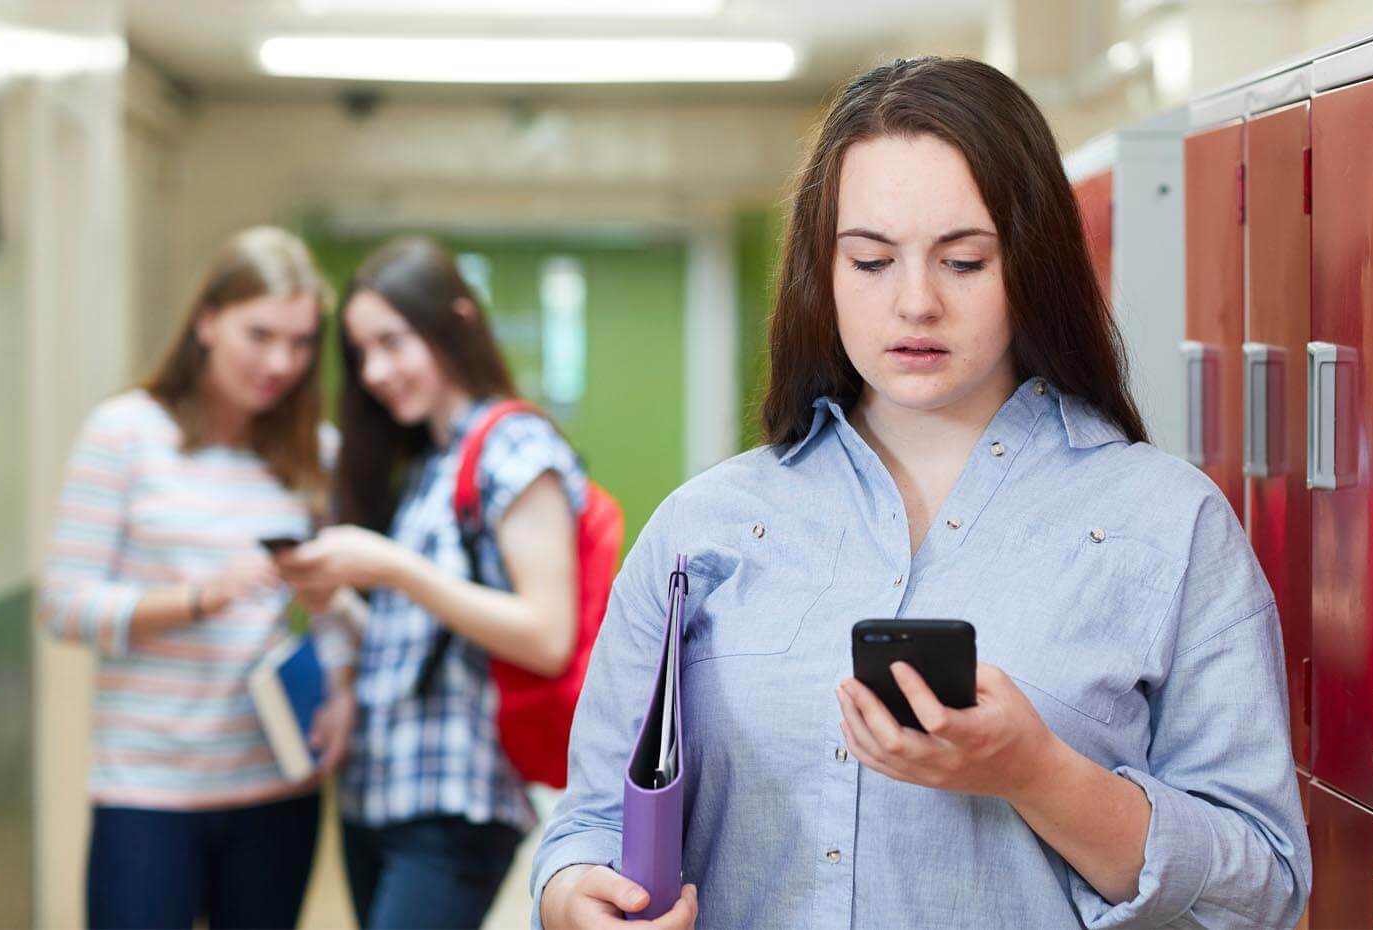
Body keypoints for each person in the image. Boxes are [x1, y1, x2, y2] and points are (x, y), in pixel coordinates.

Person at [532, 56, 1310, 929]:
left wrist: (1038, 774)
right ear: (820, 275)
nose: (915, 303)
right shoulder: (705, 528)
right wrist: (572, 901)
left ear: (1032, 265)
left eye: (964, 262)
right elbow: (592, 823)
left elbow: (1264, 888)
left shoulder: (1167, 525)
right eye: (871, 261)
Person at [39, 226, 356, 929]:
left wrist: (338, 689)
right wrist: (199, 597)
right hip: (147, 789)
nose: (281, 361)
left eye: (301, 343)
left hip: (276, 785)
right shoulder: (123, 434)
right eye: (260, 334)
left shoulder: (316, 455)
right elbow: (64, 606)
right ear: (207, 321)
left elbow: (331, 612)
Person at [272, 236, 585, 928]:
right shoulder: (429, 463)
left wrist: (389, 567)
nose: (377, 372)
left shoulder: (514, 446)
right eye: (362, 355)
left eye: (393, 342)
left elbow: (546, 634)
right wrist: (338, 596)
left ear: (457, 323)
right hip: (378, 793)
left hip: (454, 803)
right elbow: (418, 634)